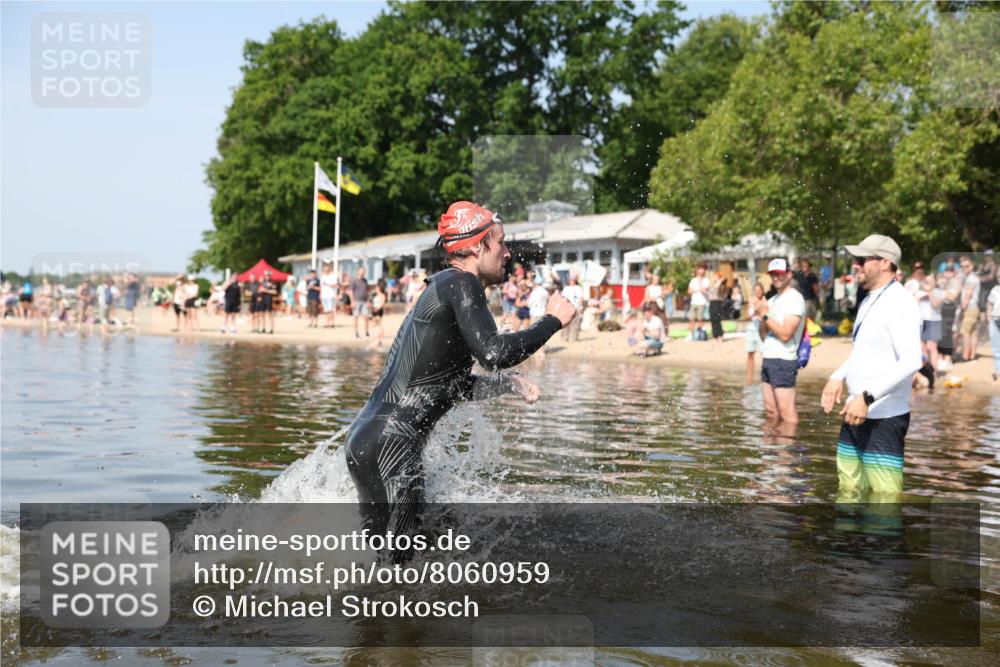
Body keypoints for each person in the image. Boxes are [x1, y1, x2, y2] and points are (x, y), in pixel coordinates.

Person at [344, 201, 575, 560]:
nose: (508, 252)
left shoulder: (444, 287)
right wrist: (552, 321)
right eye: (501, 243)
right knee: (400, 571)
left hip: (367, 440)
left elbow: (448, 387)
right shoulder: (463, 282)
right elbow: (494, 353)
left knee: (400, 554)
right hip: (394, 443)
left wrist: (508, 384)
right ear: (476, 246)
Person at [821, 235, 921, 501]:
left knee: (883, 504)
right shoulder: (868, 300)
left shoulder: (901, 303)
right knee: (848, 492)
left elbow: (912, 360)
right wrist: (836, 376)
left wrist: (867, 397)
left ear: (885, 262)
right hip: (854, 412)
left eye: (862, 260)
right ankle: (847, 543)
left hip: (884, 419)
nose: (856, 266)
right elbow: (863, 351)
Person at [754, 259, 805, 425]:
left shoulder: (794, 298)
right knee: (771, 413)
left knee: (787, 414)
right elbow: (764, 335)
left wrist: (766, 316)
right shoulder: (772, 300)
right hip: (769, 356)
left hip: (784, 360)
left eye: (780, 274)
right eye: (773, 275)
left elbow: (785, 334)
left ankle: (786, 450)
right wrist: (762, 317)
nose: (776, 278)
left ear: (789, 274)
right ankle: (770, 450)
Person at [915, 275, 943, 371]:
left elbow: (936, 304)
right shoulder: (919, 292)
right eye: (926, 281)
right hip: (922, 321)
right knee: (922, 347)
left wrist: (929, 292)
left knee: (932, 347)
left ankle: (933, 370)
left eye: (930, 281)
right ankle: (926, 370)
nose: (928, 283)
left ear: (935, 282)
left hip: (934, 321)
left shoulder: (939, 292)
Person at [958, 256, 980, 362]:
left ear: (971, 267)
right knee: (973, 333)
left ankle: (966, 356)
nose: (964, 268)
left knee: (965, 332)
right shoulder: (971, 277)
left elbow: (968, 294)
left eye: (966, 266)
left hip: (970, 308)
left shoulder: (971, 278)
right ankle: (972, 356)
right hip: (974, 307)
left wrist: (963, 308)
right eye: (962, 266)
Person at [745, 282, 765, 385]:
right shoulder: (751, 301)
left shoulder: (765, 301)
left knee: (764, 354)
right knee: (750, 354)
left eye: (759, 290)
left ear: (762, 291)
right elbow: (747, 317)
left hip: (761, 330)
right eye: (756, 290)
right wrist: (753, 311)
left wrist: (759, 309)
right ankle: (749, 380)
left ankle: (764, 379)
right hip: (751, 329)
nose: (758, 292)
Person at [687, 263, 710, 337]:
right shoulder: (693, 280)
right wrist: (698, 289)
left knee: (700, 319)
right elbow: (689, 291)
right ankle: (690, 334)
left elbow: (705, 289)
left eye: (702, 269)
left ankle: (699, 333)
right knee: (691, 318)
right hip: (693, 302)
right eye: (700, 269)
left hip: (702, 302)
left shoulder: (706, 280)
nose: (701, 270)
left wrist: (698, 287)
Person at [561, 275, 584, 342]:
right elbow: (563, 298)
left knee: (575, 323)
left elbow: (581, 298)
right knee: (565, 324)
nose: (572, 281)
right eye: (571, 280)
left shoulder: (578, 288)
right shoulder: (566, 288)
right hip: (567, 308)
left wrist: (580, 306)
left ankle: (573, 338)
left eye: (573, 280)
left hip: (576, 307)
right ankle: (565, 337)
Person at [350, 266, 371, 338]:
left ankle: (367, 332)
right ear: (358, 272)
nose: (362, 273)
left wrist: (368, 301)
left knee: (366, 317)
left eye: (363, 271)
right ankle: (356, 332)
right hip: (356, 301)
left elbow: (367, 291)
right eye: (361, 271)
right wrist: (352, 302)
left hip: (364, 302)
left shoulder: (365, 281)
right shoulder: (354, 281)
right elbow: (351, 292)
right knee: (356, 317)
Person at [987, 279, 1000, 384]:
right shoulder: (995, 289)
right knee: (996, 348)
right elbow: (990, 304)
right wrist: (989, 316)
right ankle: (999, 374)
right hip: (995, 320)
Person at [708, 271, 726, 341]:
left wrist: (720, 280)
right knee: (712, 319)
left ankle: (720, 335)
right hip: (712, 302)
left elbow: (717, 287)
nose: (714, 277)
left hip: (717, 302)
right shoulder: (712, 284)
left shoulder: (721, 284)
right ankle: (715, 335)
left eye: (716, 276)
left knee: (717, 319)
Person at [370, 278, 387, 349]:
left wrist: (377, 309)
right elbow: (373, 303)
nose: (375, 289)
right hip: (374, 310)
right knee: (374, 324)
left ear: (379, 288)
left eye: (376, 288)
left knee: (377, 324)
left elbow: (382, 304)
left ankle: (379, 337)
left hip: (378, 311)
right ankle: (378, 337)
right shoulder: (375, 295)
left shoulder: (382, 295)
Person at [320, 261, 338, 327]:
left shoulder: (333, 276)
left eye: (327, 270)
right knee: (326, 310)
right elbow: (321, 287)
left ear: (329, 269)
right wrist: (320, 295)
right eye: (325, 270)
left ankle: (331, 323)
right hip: (324, 296)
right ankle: (328, 322)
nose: (326, 271)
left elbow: (335, 285)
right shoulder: (322, 277)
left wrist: (327, 284)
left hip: (331, 295)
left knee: (330, 310)